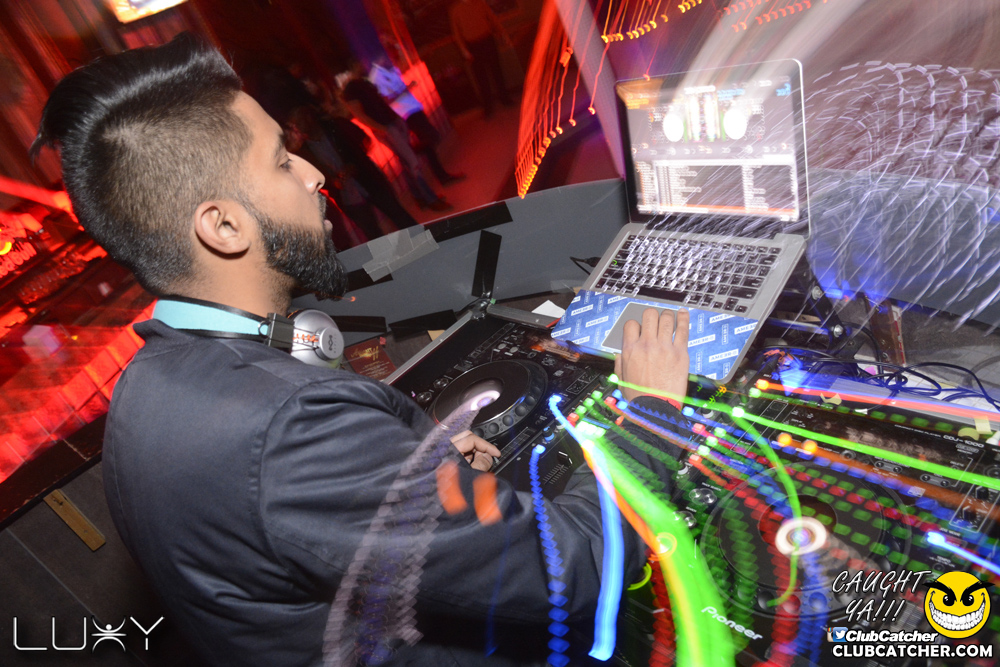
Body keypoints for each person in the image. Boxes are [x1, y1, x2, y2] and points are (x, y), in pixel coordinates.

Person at [31, 34, 691, 666]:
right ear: (224, 226)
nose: (315, 173)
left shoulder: (143, 390)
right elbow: (574, 567)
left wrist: (413, 470)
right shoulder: (293, 429)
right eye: (282, 161)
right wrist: (646, 412)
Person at [287, 104, 419, 240]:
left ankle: (423, 241)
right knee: (374, 236)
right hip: (347, 196)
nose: (299, 128)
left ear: (311, 118)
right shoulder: (305, 152)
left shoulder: (336, 126)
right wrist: (333, 182)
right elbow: (313, 178)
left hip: (368, 180)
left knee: (399, 216)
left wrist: (355, 163)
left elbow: (364, 139)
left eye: (300, 123)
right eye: (297, 126)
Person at [341, 65, 451, 212]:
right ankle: (430, 199)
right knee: (412, 162)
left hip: (390, 124)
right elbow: (362, 117)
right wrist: (384, 129)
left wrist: (396, 121)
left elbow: (378, 105)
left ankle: (421, 198)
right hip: (387, 127)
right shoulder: (351, 90)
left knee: (408, 162)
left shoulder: (361, 84)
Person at [368, 58, 466, 186]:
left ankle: (440, 174)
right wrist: (406, 89)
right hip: (407, 113)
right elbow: (387, 100)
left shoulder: (390, 69)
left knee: (429, 141)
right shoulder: (376, 76)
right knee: (431, 138)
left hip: (412, 109)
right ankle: (414, 154)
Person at [449, 0, 514, 117]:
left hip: (487, 40)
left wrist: (502, 33)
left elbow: (492, 19)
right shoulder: (456, 10)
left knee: (496, 71)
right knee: (481, 77)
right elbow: (457, 33)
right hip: (473, 45)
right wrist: (464, 50)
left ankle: (505, 98)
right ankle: (488, 106)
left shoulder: (480, 3)